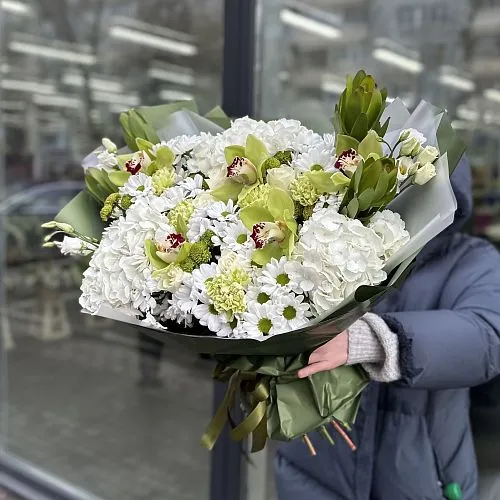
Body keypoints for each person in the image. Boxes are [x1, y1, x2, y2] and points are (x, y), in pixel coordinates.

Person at [275, 157, 500, 500]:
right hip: (316, 466)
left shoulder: (471, 260)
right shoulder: (325, 243)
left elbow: (486, 336)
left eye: (423, 192)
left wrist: (374, 340)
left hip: (421, 477)